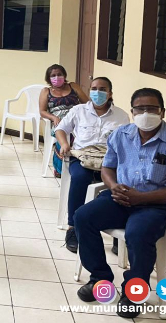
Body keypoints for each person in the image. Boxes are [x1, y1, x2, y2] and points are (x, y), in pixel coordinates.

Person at [74, 88, 166, 319]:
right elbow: (108, 167)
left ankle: (134, 292)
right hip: (120, 198)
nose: (145, 113)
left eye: (151, 108)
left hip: (156, 204)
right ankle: (99, 278)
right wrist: (113, 186)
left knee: (138, 233)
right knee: (83, 217)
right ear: (132, 112)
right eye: (140, 109)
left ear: (162, 112)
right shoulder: (121, 134)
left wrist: (141, 198)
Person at [55, 77, 130, 254]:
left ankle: (118, 234)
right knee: (80, 178)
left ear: (110, 93)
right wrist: (64, 144)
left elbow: (126, 142)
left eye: (102, 89)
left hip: (109, 160)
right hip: (82, 157)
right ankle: (73, 228)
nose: (97, 92)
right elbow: (60, 129)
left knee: (121, 183)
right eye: (94, 88)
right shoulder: (78, 110)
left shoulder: (121, 116)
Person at [39, 64, 89, 177]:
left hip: (76, 117)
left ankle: (82, 165)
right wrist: (53, 117)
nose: (57, 77)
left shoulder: (73, 86)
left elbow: (87, 103)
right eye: (53, 75)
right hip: (58, 120)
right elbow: (42, 111)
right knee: (64, 132)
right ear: (48, 78)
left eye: (59, 74)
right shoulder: (46, 91)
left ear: (64, 75)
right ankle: (60, 168)